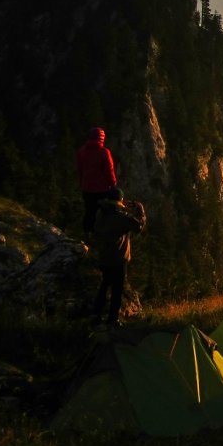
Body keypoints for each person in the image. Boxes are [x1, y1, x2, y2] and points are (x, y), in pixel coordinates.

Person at [91, 187, 146, 327]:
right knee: (117, 289)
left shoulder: (100, 213)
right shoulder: (121, 218)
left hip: (104, 257)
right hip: (118, 259)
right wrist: (140, 209)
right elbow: (139, 226)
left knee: (104, 286)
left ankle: (96, 316)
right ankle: (112, 319)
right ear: (119, 202)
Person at [76, 127, 117, 243]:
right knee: (103, 213)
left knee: (89, 211)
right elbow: (109, 170)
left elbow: (80, 170)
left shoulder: (81, 151)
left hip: (87, 188)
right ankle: (100, 238)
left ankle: (86, 235)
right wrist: (113, 184)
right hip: (102, 189)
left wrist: (82, 183)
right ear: (102, 138)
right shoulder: (104, 152)